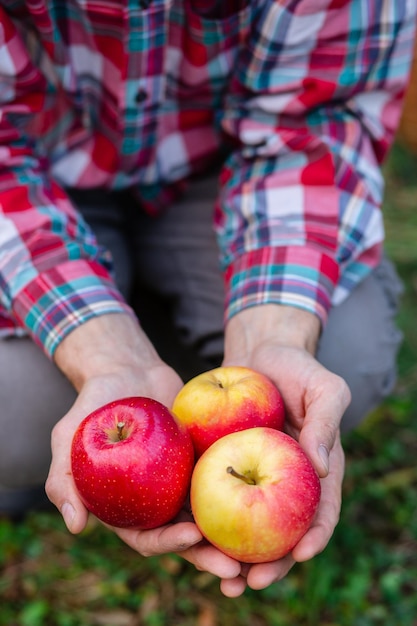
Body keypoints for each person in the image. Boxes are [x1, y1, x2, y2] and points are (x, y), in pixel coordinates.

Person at [0, 0, 415, 598]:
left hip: (224, 171)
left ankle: (178, 386)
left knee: (347, 351)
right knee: (15, 414)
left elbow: (316, 121)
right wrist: (103, 353)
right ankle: (131, 378)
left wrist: (274, 334)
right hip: (46, 177)